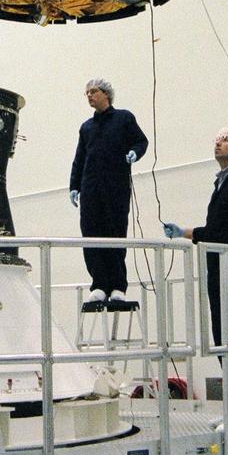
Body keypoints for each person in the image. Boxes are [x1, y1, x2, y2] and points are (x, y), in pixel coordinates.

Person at [163, 128, 228, 422]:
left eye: (225, 139)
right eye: (216, 139)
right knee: (222, 338)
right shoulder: (220, 185)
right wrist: (183, 232)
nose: (217, 142)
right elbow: (217, 231)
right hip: (218, 270)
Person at [69, 78, 148, 305]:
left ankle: (117, 285)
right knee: (92, 234)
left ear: (106, 94)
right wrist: (74, 186)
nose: (89, 96)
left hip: (116, 187)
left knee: (115, 233)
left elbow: (141, 141)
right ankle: (99, 284)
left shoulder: (124, 118)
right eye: (87, 93)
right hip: (91, 188)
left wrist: (134, 152)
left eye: (93, 91)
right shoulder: (86, 127)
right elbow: (79, 159)